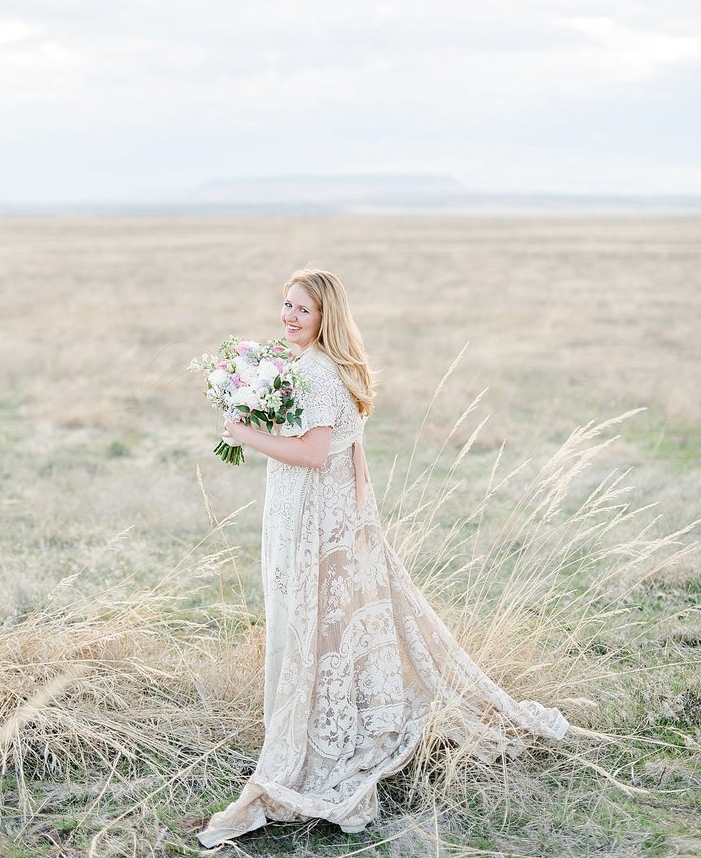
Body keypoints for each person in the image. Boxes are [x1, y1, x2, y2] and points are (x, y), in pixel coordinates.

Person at [197, 268, 569, 848]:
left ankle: (319, 738)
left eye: (303, 310)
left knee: (316, 625)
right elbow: (355, 454)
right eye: (286, 305)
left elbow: (317, 453)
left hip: (317, 517)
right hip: (333, 515)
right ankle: (332, 717)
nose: (290, 317)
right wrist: (364, 519)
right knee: (334, 626)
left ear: (327, 318)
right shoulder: (317, 367)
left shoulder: (317, 373)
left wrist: (242, 433)